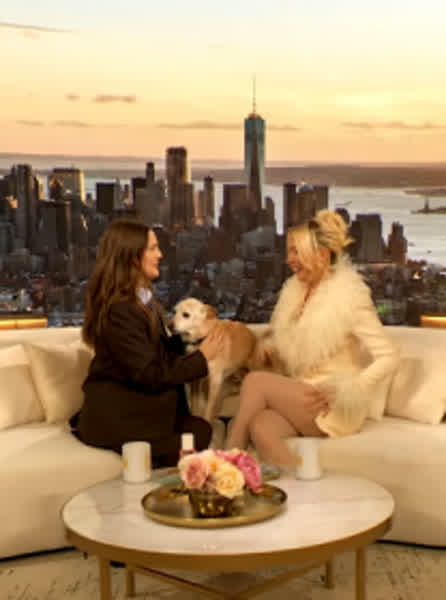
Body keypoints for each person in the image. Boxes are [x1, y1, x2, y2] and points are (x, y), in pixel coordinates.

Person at [226, 209, 400, 469]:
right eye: (289, 252)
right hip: (305, 396)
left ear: (322, 255)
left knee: (255, 381)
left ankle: (225, 462)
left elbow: (390, 356)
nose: (289, 260)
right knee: (260, 425)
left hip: (334, 405)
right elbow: (302, 354)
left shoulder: (349, 299)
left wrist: (348, 389)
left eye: (296, 251)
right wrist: (274, 353)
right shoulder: (296, 294)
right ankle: (302, 483)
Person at [75, 219, 223, 467]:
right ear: (133, 257)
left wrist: (191, 340)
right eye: (153, 248)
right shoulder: (120, 311)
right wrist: (202, 358)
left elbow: (152, 351)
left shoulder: (140, 300)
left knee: (201, 430)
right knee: (197, 435)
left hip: (140, 407)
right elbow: (148, 373)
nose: (160, 255)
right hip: (120, 416)